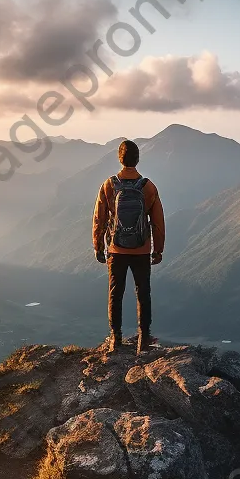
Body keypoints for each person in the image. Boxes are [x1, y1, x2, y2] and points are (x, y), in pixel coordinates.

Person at [92, 139, 165, 355]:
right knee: (143, 292)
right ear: (137, 159)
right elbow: (158, 222)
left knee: (116, 293)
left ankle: (116, 338)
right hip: (142, 249)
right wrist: (158, 249)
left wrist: (98, 245)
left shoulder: (109, 185)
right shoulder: (148, 187)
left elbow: (100, 218)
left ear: (120, 159)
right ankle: (144, 339)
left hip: (116, 249)